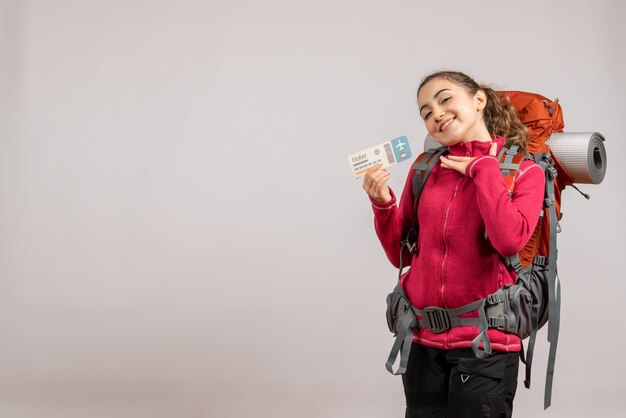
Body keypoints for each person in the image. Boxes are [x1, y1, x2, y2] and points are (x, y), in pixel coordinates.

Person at [362, 71, 545, 418]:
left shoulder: (523, 171)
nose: (436, 114)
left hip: (486, 343)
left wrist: (484, 170)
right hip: (422, 340)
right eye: (426, 112)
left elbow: (509, 241)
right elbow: (398, 253)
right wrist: (383, 205)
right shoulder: (424, 168)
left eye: (445, 99)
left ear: (479, 101)